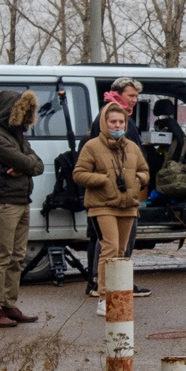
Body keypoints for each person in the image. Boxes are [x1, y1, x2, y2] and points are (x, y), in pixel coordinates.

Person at [74, 103, 151, 308]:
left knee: (122, 252)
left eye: (120, 122)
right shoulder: (92, 146)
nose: (117, 125)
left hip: (128, 205)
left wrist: (138, 179)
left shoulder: (132, 147)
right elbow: (78, 173)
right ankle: (103, 297)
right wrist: (103, 180)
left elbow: (145, 170)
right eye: (112, 122)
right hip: (102, 205)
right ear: (104, 123)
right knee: (110, 248)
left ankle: (118, 295)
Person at [0, 89, 43, 328]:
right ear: (11, 110)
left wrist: (25, 164)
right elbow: (26, 161)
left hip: (20, 200)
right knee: (1, 256)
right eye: (22, 110)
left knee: (16, 257)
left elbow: (37, 165)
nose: (26, 116)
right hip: (4, 202)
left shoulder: (16, 135)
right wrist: (25, 163)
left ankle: (9, 304)